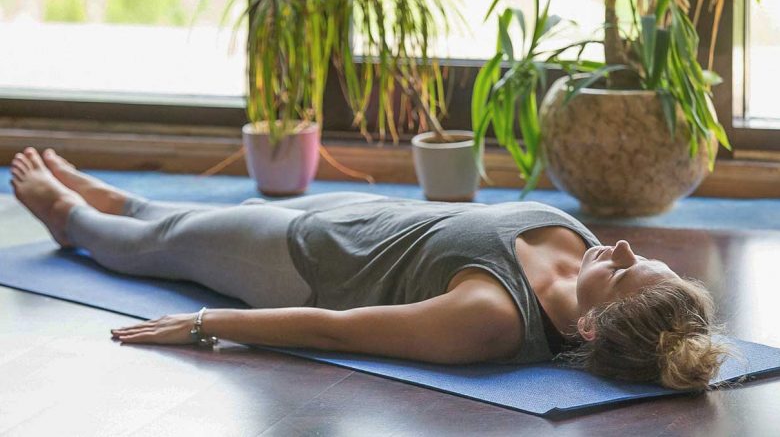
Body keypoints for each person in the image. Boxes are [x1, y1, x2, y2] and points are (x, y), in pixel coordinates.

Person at [9, 147, 727, 391]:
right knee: (176, 214)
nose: (625, 249)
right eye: (643, 256)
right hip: (360, 215)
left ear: (592, 328)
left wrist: (205, 323)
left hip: (299, 261)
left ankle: (68, 214)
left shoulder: (490, 318)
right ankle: (113, 193)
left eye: (627, 272)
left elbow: (342, 330)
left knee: (148, 245)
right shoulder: (587, 255)